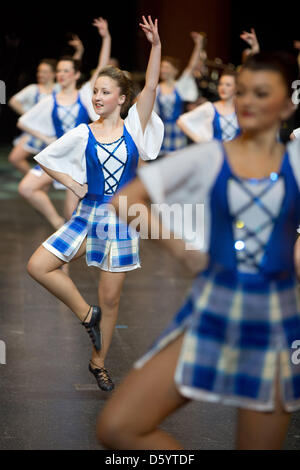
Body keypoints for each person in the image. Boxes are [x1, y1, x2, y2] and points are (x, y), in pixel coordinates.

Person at [97, 51, 300, 450]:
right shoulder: (210, 157)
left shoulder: (296, 163)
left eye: (261, 93)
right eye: (242, 92)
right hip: (215, 307)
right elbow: (125, 201)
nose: (248, 102)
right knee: (118, 427)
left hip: (275, 320)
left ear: (288, 105)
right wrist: (184, 250)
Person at [26, 16, 164, 392]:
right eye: (95, 92)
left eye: (105, 92)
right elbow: (45, 159)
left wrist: (155, 45)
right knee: (39, 265)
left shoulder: (135, 126)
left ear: (122, 98)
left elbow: (151, 84)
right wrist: (74, 181)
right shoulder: (83, 131)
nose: (97, 97)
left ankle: (98, 363)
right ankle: (87, 314)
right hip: (88, 213)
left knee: (112, 295)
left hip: (121, 218)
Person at [17, 17, 111, 227]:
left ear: (77, 74)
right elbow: (23, 121)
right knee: (26, 188)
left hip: (79, 159)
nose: (61, 74)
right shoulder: (51, 100)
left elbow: (102, 67)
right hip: (58, 155)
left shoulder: (85, 93)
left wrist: (106, 37)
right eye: (58, 70)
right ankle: (57, 223)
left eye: (66, 70)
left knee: (72, 214)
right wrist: (46, 137)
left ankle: (67, 244)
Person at [155, 32, 202, 155]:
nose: (163, 70)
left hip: (178, 129)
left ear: (175, 70)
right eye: (162, 67)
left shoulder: (180, 87)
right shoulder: (156, 89)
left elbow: (191, 67)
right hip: (162, 129)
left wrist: (199, 44)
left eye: (166, 67)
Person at [177, 70, 240, 143]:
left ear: (236, 88)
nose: (223, 88)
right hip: (216, 152)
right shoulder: (210, 108)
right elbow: (181, 121)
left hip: (238, 153)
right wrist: (200, 140)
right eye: (220, 84)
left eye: (228, 85)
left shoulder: (241, 109)